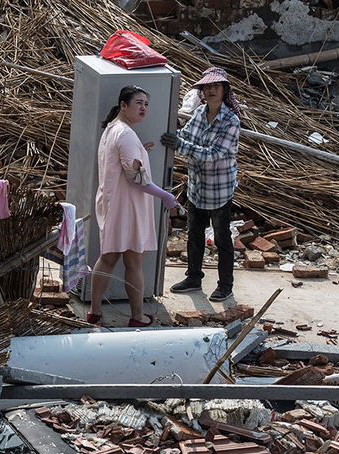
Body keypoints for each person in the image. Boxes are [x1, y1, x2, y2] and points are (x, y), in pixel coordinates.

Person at [87, 85, 178, 327]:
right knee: (134, 263)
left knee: (107, 258)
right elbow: (136, 177)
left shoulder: (113, 129)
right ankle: (137, 316)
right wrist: (165, 196)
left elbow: (124, 163)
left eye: (146, 104)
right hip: (128, 207)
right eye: (138, 103)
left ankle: (94, 312)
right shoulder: (125, 133)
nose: (144, 108)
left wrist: (141, 151)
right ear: (123, 105)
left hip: (113, 203)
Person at [161, 67, 241, 302]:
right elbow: (185, 136)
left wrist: (179, 145)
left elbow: (214, 154)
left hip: (219, 190)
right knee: (194, 234)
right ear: (202, 93)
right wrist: (167, 133)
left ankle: (225, 285)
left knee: (222, 238)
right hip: (196, 186)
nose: (211, 90)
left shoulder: (231, 121)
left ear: (225, 90)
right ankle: (193, 277)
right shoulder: (198, 114)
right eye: (207, 87)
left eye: (216, 86)